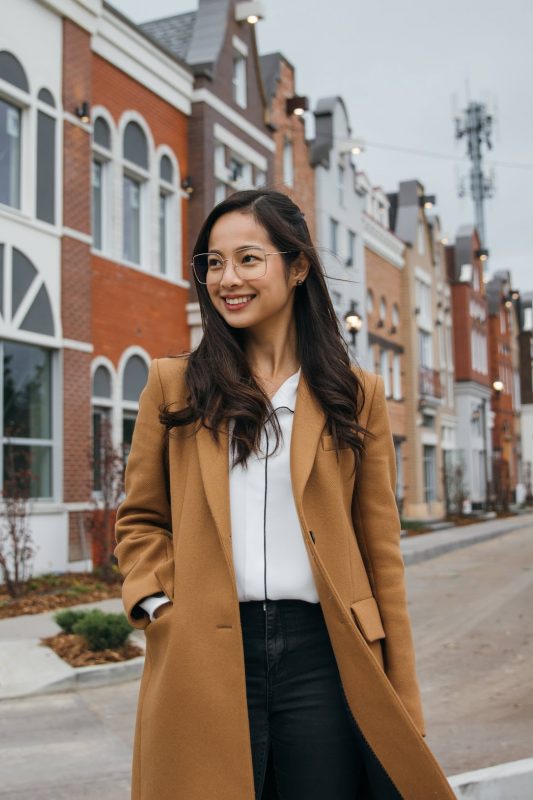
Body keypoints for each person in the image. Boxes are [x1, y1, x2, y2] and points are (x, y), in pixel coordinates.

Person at [114, 189, 455, 800]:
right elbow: (140, 519)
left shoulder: (356, 394)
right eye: (213, 263)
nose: (227, 279)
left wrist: (404, 699)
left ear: (297, 267)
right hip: (204, 648)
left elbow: (381, 555)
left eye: (248, 258)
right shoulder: (174, 386)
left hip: (327, 656)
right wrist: (159, 606)